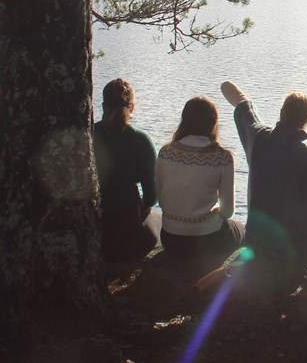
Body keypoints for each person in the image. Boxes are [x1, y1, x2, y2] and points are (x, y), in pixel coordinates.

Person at [221, 79, 307, 291]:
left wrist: (233, 91)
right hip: (288, 252)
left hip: (255, 245)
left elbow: (242, 106)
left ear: (282, 111)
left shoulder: (258, 139)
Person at [156, 96, 245, 268]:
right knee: (241, 229)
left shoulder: (166, 152)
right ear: (213, 123)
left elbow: (161, 200)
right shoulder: (222, 157)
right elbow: (227, 212)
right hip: (206, 242)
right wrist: (215, 210)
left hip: (170, 239)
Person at [92, 78, 160, 261]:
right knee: (157, 221)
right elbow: (152, 196)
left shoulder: (88, 134)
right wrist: (143, 209)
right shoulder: (140, 140)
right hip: (127, 230)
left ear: (103, 105)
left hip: (92, 229)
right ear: (132, 107)